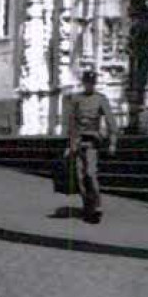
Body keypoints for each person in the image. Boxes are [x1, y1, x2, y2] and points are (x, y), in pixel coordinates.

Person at [64, 69, 117, 223]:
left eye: (92, 83)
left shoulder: (101, 99)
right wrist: (70, 144)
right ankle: (87, 206)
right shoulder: (76, 100)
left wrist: (112, 142)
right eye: (87, 83)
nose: (90, 86)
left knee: (91, 174)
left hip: (92, 142)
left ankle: (97, 205)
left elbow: (110, 121)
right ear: (84, 83)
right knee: (80, 177)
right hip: (78, 142)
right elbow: (71, 123)